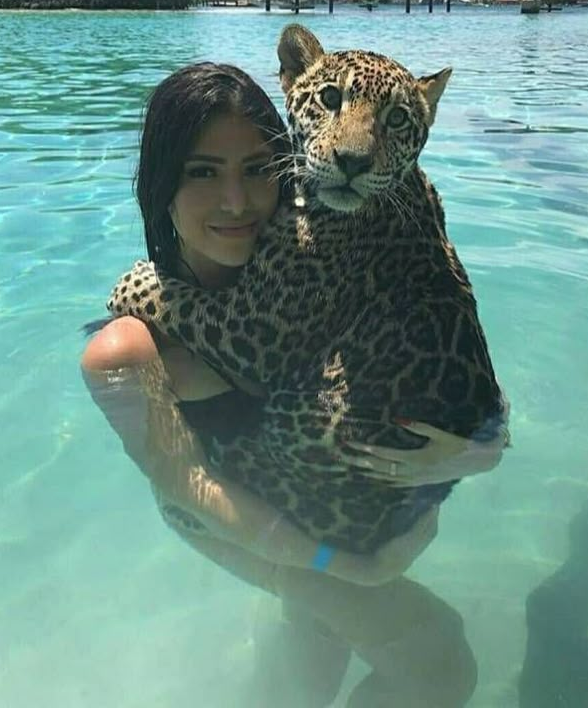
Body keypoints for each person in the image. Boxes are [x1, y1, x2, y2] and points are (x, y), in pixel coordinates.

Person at [82, 62, 506, 706]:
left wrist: (483, 445)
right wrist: (346, 567)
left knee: (307, 663)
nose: (236, 201)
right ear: (161, 183)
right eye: (202, 172)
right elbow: (186, 488)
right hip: (249, 533)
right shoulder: (125, 348)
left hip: (318, 523)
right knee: (442, 662)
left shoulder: (317, 241)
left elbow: (440, 330)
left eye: (256, 169)